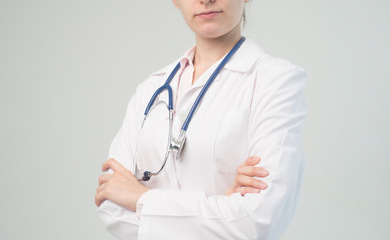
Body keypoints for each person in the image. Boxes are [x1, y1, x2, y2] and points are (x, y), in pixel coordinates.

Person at [95, 0, 306, 239]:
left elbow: (258, 220)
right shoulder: (151, 89)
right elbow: (112, 207)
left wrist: (140, 198)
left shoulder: (276, 81)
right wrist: (221, 210)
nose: (206, 0)